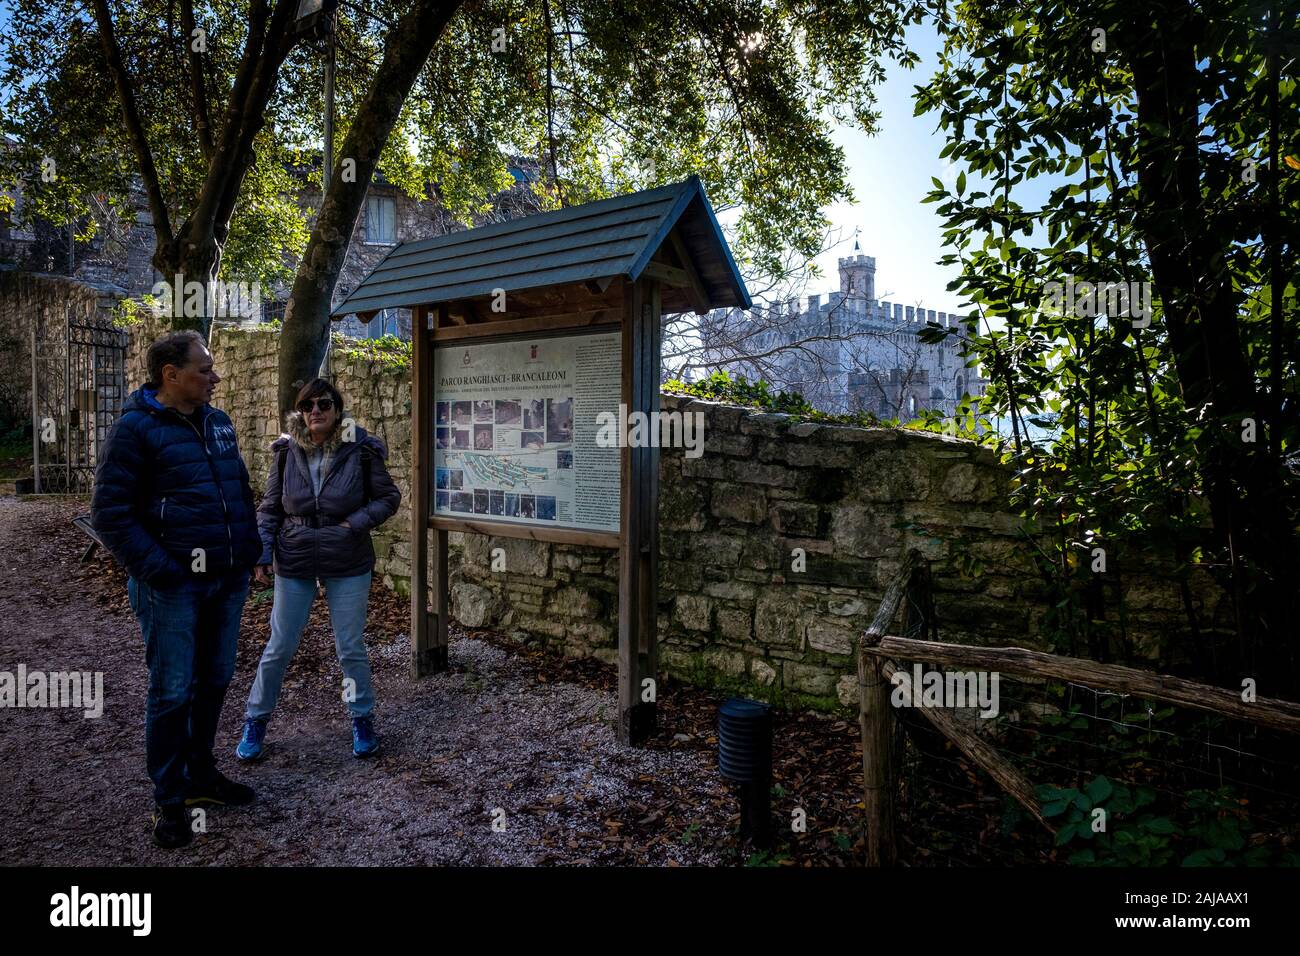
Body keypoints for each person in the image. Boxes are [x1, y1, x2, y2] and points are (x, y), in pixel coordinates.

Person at [91, 330, 262, 850]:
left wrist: (246, 554)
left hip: (225, 580)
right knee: (172, 691)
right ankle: (169, 800)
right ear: (171, 374)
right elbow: (111, 515)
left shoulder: (218, 422)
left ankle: (201, 777)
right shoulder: (134, 430)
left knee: (214, 680)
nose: (216, 377)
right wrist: (163, 572)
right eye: (205, 369)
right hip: (173, 587)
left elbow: (238, 487)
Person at [237, 378, 400, 762]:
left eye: (324, 404)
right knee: (279, 646)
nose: (315, 412)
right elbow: (271, 507)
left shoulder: (360, 450)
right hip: (294, 558)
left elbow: (388, 498)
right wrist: (261, 553)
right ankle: (255, 720)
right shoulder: (285, 452)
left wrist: (352, 524)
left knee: (350, 647)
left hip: (346, 558)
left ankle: (361, 719)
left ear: (337, 410)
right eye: (308, 405)